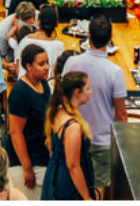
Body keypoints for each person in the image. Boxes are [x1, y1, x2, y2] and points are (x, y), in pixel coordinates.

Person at [63, 16, 126, 195]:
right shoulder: (115, 72)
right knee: (98, 190)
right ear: (111, 37)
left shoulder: (71, 63)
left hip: (74, 137)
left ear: (88, 36)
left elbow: (63, 99)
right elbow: (121, 115)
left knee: (74, 185)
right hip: (103, 141)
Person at [40, 71, 97, 202]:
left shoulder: (56, 112)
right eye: (87, 88)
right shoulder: (72, 127)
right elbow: (73, 166)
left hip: (54, 175)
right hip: (69, 184)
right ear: (77, 93)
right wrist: (87, 197)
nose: (90, 92)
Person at [6, 44, 50, 198]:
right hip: (23, 160)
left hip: (39, 154)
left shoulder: (44, 85)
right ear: (28, 66)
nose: (47, 67)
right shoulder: (20, 93)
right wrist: (27, 167)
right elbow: (15, 132)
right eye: (41, 64)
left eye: (47, 62)